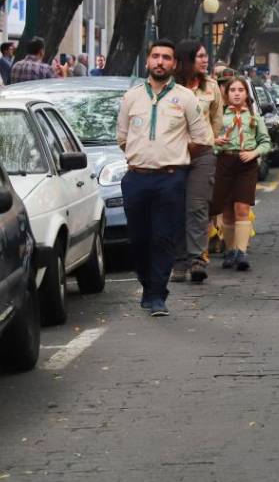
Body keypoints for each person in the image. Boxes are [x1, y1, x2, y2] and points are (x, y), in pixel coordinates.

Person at [116, 40, 213, 317]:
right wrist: (143, 156)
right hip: (136, 178)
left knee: (163, 237)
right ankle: (147, 285)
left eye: (166, 58)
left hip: (170, 179)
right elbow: (122, 138)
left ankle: (158, 294)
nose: (160, 62)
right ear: (147, 61)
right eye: (155, 56)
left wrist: (175, 155)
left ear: (174, 64)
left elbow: (201, 139)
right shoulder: (131, 97)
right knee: (138, 239)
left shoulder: (185, 98)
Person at [170, 40, 223, 284]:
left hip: (202, 155)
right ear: (186, 59)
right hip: (173, 156)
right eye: (200, 56)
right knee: (176, 207)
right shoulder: (171, 87)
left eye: (206, 56)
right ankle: (178, 261)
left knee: (198, 207)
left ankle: (197, 259)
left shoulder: (211, 87)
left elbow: (216, 120)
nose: (205, 60)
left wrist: (205, 141)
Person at [212, 77, 271, 271]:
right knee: (227, 210)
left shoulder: (254, 118)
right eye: (233, 90)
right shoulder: (219, 117)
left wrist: (254, 152)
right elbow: (207, 142)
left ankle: (242, 252)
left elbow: (266, 142)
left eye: (241, 90)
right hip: (225, 162)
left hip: (246, 165)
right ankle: (230, 250)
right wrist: (216, 143)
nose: (237, 93)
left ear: (246, 94)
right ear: (226, 95)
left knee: (242, 208)